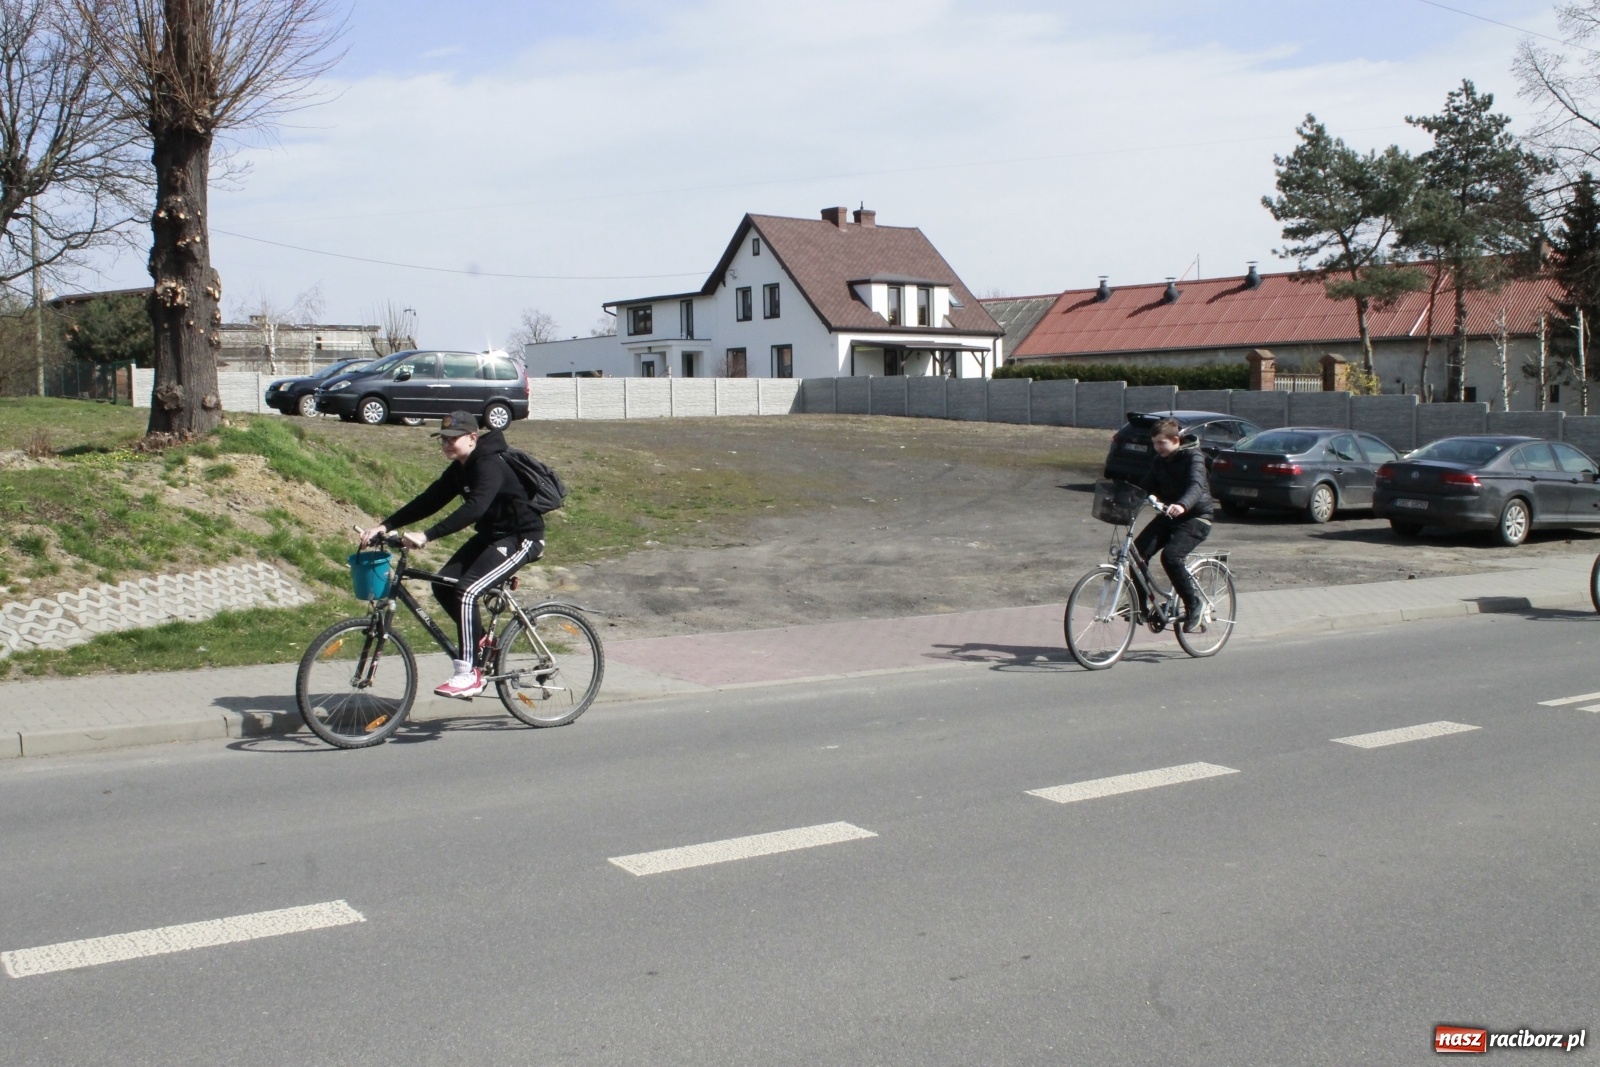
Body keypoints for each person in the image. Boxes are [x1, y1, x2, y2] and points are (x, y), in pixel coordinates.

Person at [361, 410, 543, 698]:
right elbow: (429, 500)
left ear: (472, 438)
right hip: (492, 537)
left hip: (522, 537)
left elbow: (474, 509)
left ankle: (469, 673)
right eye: (442, 439)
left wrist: (426, 536)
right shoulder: (460, 467)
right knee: (443, 584)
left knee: (466, 591)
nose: (446, 443)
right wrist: (385, 526)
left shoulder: (488, 464)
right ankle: (482, 643)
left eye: (452, 438)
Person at [1134, 418, 1215, 632]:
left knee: (1171, 557)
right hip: (1171, 515)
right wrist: (1123, 499)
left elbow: (1196, 486)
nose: (1157, 448)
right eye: (1154, 443)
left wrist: (1182, 504)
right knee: (1137, 553)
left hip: (1196, 516)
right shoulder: (1159, 461)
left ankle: (1193, 604)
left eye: (1161, 443)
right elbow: (1144, 487)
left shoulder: (1194, 457)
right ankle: (1139, 605)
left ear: (1176, 440)